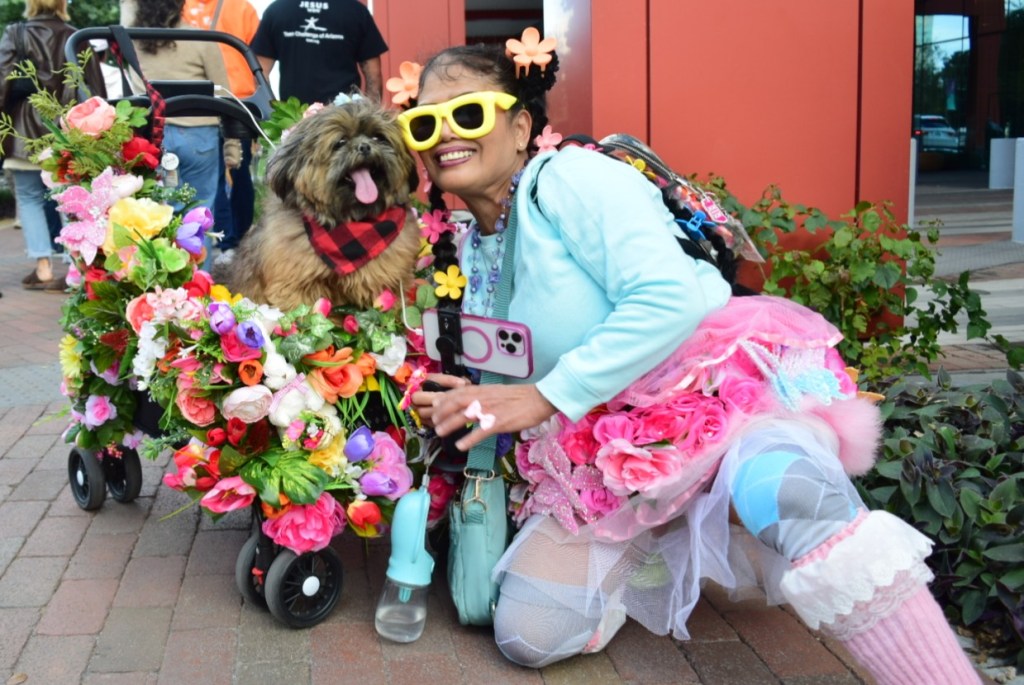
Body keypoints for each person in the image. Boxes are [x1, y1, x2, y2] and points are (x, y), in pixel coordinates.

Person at [405, 36, 982, 685]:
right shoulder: (466, 245)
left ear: (518, 127)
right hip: (602, 449)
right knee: (528, 633)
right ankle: (657, 541)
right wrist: (471, 397)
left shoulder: (569, 178)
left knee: (792, 496)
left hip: (705, 391)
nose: (445, 134)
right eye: (424, 123)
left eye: (468, 113)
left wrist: (542, 396)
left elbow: (668, 296)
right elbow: (528, 361)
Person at [0, 0, 106, 291]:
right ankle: (75, 268)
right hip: (68, 130)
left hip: (24, 131)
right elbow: (94, 89)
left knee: (29, 197)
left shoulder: (16, 34)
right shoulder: (77, 36)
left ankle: (43, 267)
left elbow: (2, 82)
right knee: (71, 199)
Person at [131, 0, 232, 267]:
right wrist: (233, 146)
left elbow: (134, 89)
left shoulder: (135, 41)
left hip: (155, 134)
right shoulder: (202, 40)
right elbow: (224, 95)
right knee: (199, 215)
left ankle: (163, 280)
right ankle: (200, 281)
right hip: (200, 136)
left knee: (158, 214)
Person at [180, 0, 260, 263]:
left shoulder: (240, 8)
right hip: (230, 101)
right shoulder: (241, 8)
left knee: (225, 175)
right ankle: (231, 240)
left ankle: (229, 241)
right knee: (233, 174)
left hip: (211, 101)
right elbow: (257, 57)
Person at [250, 0, 387, 105]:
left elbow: (260, 73)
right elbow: (374, 76)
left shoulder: (277, 10)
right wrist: (368, 121)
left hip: (295, 118)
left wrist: (274, 115)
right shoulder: (356, 11)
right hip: (343, 119)